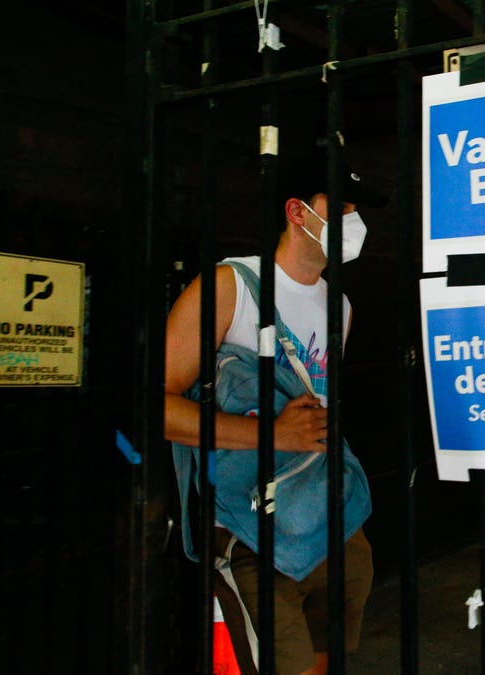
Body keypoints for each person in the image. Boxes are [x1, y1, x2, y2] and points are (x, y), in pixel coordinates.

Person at [164, 153, 384, 675]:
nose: (353, 221)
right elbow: (158, 407)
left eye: (358, 210)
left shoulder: (342, 307)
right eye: (341, 207)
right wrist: (271, 433)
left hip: (330, 518)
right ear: (297, 211)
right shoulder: (229, 286)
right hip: (251, 525)